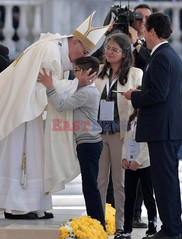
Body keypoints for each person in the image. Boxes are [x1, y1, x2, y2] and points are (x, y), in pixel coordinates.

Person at [0, 12, 109, 219]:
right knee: (24, 155)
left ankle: (34, 205)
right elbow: (45, 87)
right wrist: (79, 83)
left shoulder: (54, 47)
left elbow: (49, 88)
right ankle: (17, 206)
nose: (80, 57)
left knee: (36, 155)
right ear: (74, 41)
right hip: (23, 112)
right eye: (83, 50)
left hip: (32, 112)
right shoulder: (49, 51)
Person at [123, 13, 182, 239]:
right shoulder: (168, 55)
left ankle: (171, 230)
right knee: (168, 180)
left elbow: (158, 94)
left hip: (162, 129)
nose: (142, 33)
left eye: (145, 29)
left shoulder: (161, 57)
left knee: (164, 181)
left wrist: (134, 96)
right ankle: (173, 226)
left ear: (154, 32)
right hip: (167, 128)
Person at [37, 56, 105, 228]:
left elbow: (60, 105)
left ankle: (98, 224)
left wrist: (49, 85)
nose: (74, 75)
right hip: (88, 142)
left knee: (90, 186)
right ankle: (96, 222)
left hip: (89, 143)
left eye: (77, 71)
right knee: (89, 185)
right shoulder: (85, 90)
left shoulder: (86, 92)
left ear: (88, 72)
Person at [95, 32, 143, 237]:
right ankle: (98, 221)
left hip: (120, 133)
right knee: (99, 181)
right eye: (108, 48)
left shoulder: (135, 73)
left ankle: (120, 224)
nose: (109, 52)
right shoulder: (97, 72)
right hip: (98, 132)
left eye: (114, 49)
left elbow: (139, 102)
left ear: (124, 53)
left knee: (119, 182)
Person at [114, 105, 157, 239]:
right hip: (130, 164)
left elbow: (149, 145)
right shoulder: (131, 120)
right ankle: (126, 230)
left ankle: (152, 229)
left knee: (148, 197)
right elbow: (126, 141)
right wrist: (124, 158)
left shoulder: (151, 120)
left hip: (145, 164)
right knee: (129, 198)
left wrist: (138, 162)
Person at [129, 3, 152, 229]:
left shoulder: (152, 45)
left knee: (141, 163)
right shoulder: (120, 39)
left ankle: (136, 212)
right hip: (120, 112)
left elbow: (148, 65)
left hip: (142, 111)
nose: (142, 21)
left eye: (146, 17)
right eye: (138, 16)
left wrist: (136, 43)